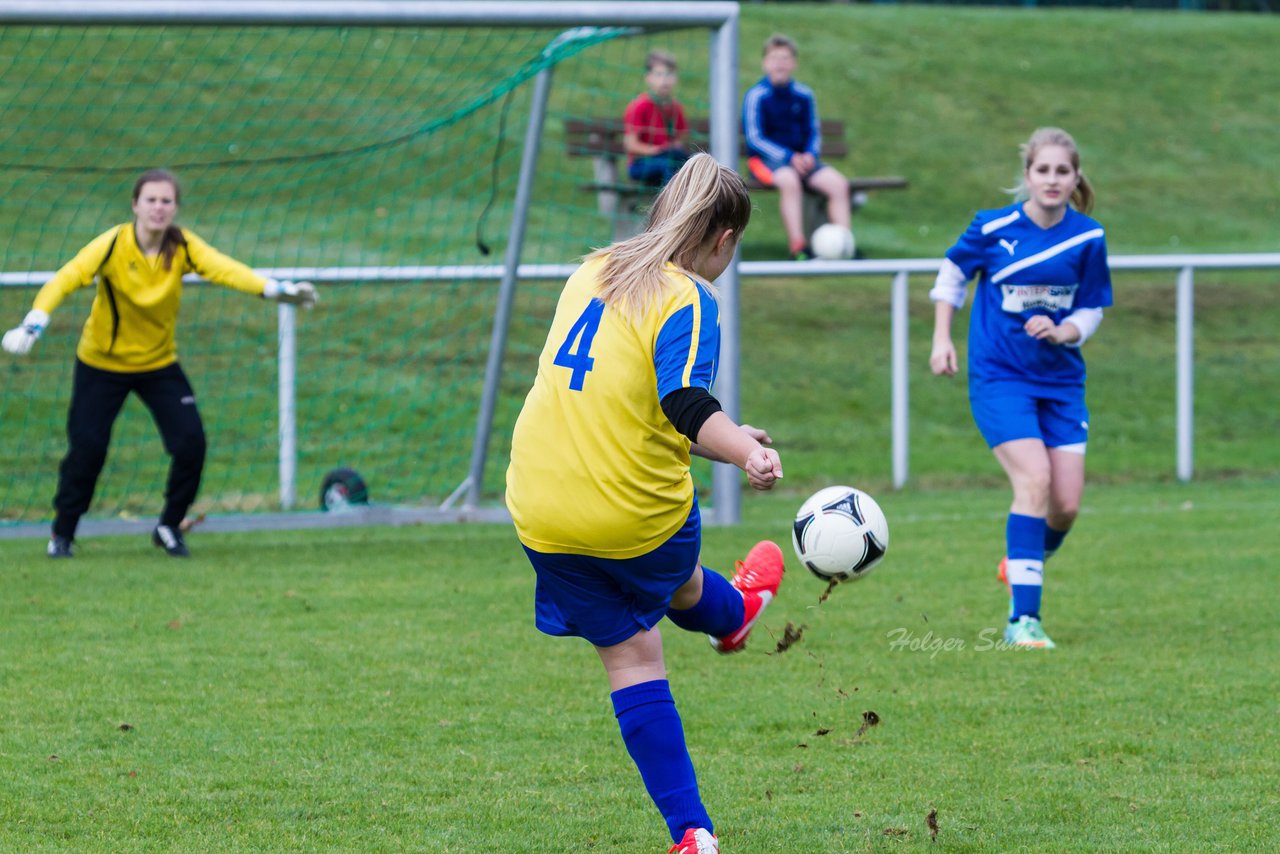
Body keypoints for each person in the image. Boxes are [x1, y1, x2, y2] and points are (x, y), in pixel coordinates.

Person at [506, 153, 784, 854]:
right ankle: (736, 615)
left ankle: (693, 835)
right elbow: (686, 404)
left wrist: (726, 438)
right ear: (723, 239)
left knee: (633, 646)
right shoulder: (689, 296)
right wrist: (746, 451)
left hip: (539, 507)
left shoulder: (592, 268)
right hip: (632, 516)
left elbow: (616, 406)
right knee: (669, 581)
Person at [1, 168, 317, 558]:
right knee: (88, 450)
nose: (158, 207)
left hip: (158, 364)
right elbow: (67, 278)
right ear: (135, 205)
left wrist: (276, 291)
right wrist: (34, 323)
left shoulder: (182, 246)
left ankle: (169, 526)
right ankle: (62, 533)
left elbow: (225, 268)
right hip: (101, 364)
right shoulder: (114, 243)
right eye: (150, 199)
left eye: (166, 200)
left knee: (191, 444)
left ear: (175, 208)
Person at [928, 127, 1113, 649]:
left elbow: (1092, 307)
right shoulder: (993, 227)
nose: (1052, 180)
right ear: (1027, 175)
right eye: (1042, 170)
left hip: (1061, 383)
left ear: (1075, 177)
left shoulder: (1087, 237)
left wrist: (1064, 331)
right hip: (1000, 378)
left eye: (1062, 171)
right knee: (1033, 482)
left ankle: (1022, 559)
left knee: (1066, 505)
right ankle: (1022, 622)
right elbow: (951, 275)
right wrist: (943, 339)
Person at [742, 33, 851, 261]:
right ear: (765, 63)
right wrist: (790, 157)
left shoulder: (804, 94)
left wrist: (810, 155)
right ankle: (798, 247)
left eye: (785, 58)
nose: (779, 63)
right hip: (766, 163)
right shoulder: (756, 95)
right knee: (789, 181)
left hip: (803, 161)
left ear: (794, 63)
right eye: (774, 58)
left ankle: (845, 246)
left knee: (838, 184)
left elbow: (813, 131)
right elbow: (755, 138)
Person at [623, 49, 692, 187]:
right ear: (648, 78)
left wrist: (675, 145)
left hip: (668, 158)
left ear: (676, 78)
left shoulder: (675, 107)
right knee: (668, 166)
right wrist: (657, 150)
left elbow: (681, 137)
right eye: (659, 74)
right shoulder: (639, 106)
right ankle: (671, 206)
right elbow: (631, 145)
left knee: (690, 163)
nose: (664, 80)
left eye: (669, 74)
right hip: (641, 164)